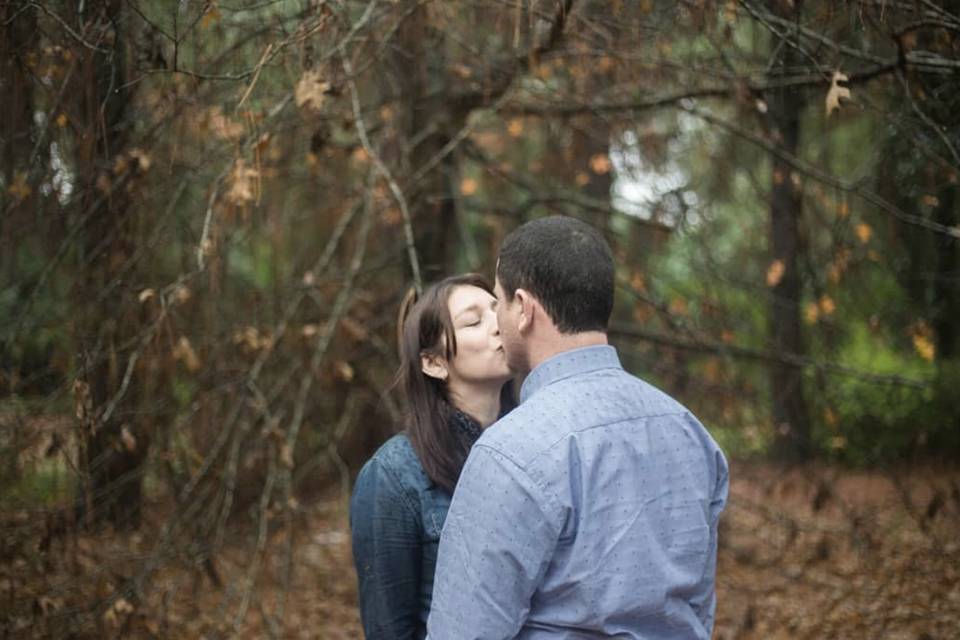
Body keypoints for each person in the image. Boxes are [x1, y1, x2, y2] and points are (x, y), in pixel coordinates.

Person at [426, 216, 729, 639]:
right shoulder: (690, 431)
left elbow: (465, 632)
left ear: (525, 308)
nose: (497, 320)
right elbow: (697, 608)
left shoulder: (510, 452)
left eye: (499, 304)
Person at [350, 273, 515, 640]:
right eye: (474, 321)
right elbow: (389, 628)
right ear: (434, 363)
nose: (498, 326)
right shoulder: (393, 476)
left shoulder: (538, 449)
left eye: (498, 310)